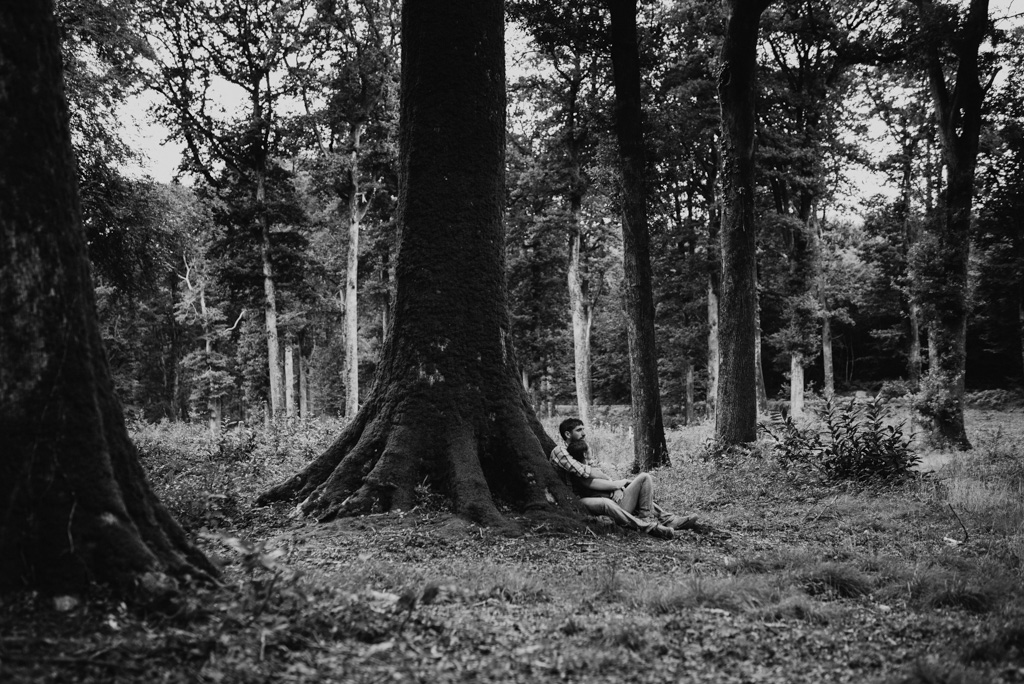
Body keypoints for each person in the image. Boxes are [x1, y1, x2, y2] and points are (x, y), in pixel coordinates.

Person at [549, 417, 700, 540]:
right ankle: (649, 527)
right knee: (606, 502)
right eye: (579, 430)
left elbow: (596, 472)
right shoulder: (561, 451)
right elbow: (584, 473)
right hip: (578, 499)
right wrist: (615, 484)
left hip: (600, 493)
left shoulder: (580, 450)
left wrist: (616, 486)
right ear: (568, 434)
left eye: (583, 429)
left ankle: (666, 519)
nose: (584, 433)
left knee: (644, 478)